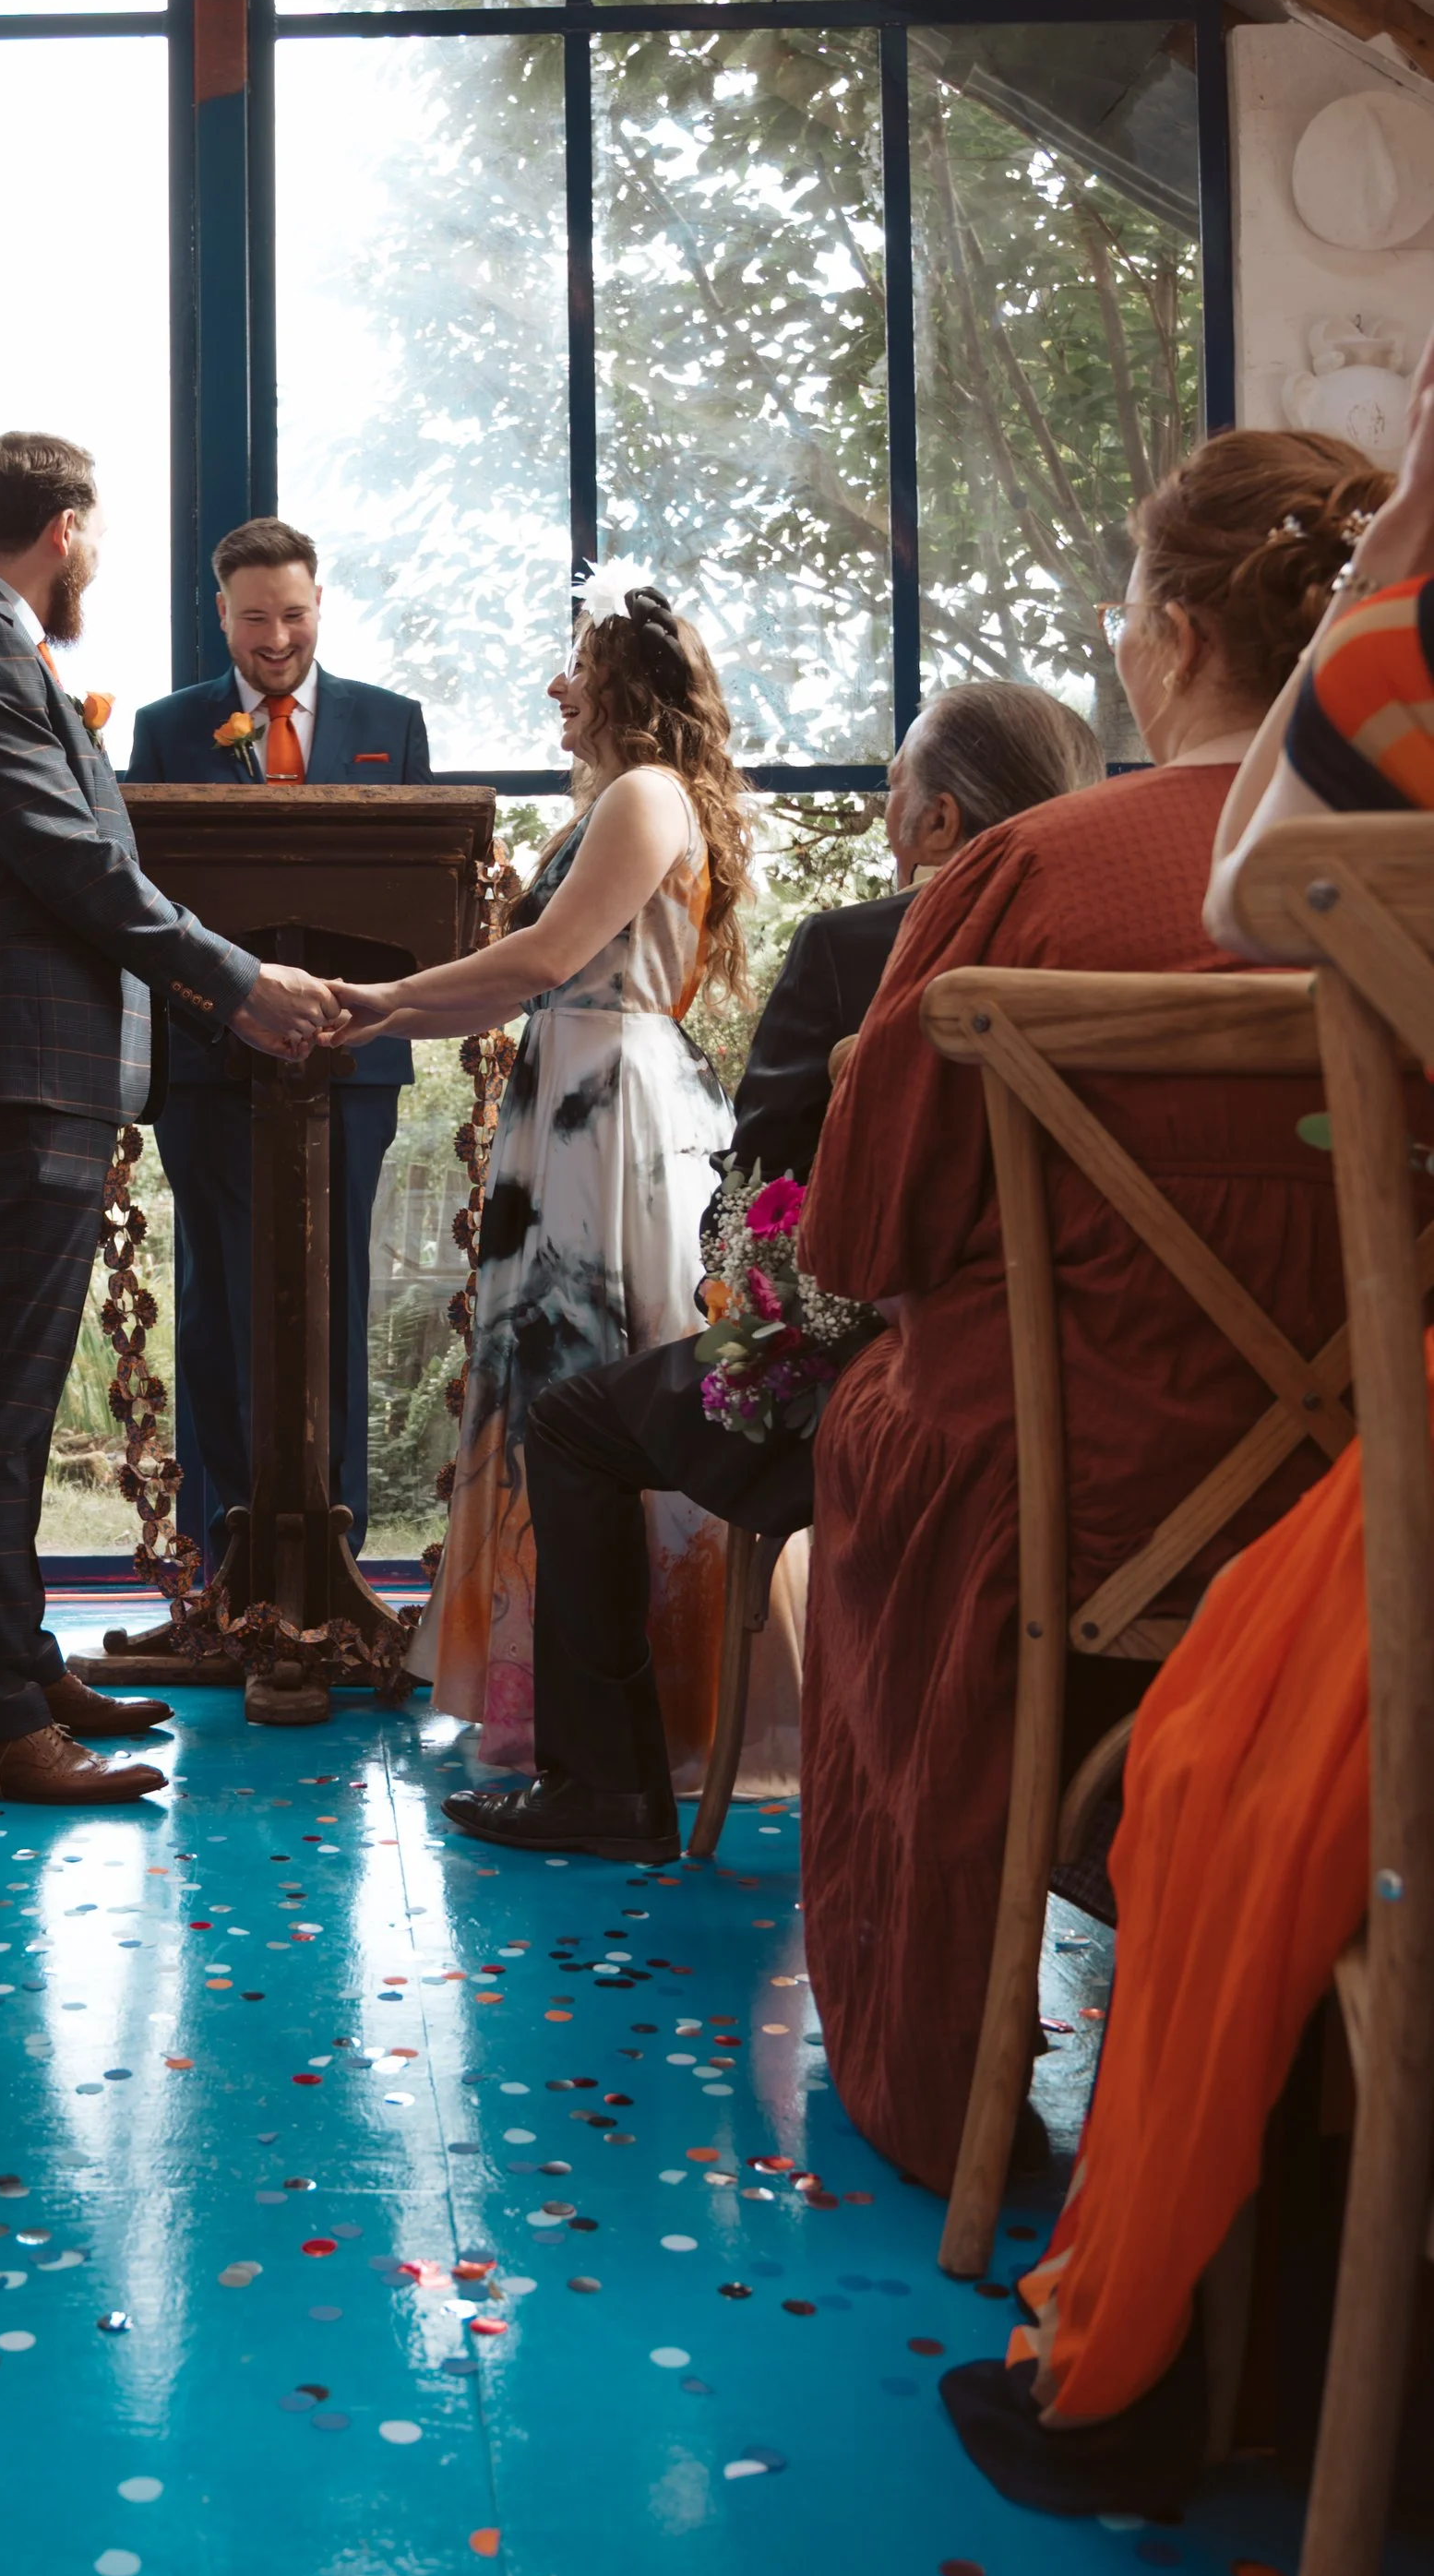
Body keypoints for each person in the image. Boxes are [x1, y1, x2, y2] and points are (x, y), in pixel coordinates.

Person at [941, 340, 1434, 2514]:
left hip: (1149, 1489)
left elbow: (1268, 884)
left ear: (1169, 635)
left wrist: (1395, 558)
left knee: (1222, 1763)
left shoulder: (1078, 858)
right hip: (1320, 1424)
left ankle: (1131, 2357)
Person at [796, 427, 1391, 2201]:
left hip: (1081, 1532)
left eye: (1129, 603)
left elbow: (858, 1234)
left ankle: (959, 2075)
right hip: (1368, 1546)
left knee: (864, 1481)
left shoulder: (1039, 873)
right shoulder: (1412, 887)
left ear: (1181, 633)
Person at [442, 678, 1105, 1860]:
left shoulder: (859, 951)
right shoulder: (1115, 949)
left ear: (939, 821)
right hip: (1096, 1378)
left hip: (880, 1383)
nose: (889, 798)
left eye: (896, 778)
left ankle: (604, 1785)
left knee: (574, 1419)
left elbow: (760, 1207)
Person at [0, 432, 341, 1807]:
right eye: (99, 539)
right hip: (24, 1063)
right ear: (68, 529)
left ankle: (19, 1666)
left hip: (54, 1063)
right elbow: (76, 866)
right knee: (7, 1400)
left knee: (11, 1391)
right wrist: (238, 978)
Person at [331, 575, 749, 1825]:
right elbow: (509, 987)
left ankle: (612, 1755)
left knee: (589, 1395)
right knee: (564, 1404)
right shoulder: (630, 802)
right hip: (574, 1096)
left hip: (607, 1116)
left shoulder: (641, 795)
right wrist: (374, 1012)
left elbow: (541, 962)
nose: (556, 689)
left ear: (623, 683)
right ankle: (582, 1734)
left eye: (575, 667)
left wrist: (368, 1001)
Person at [125, 515, 432, 1565]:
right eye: (254, 617)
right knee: (219, 1298)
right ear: (222, 613)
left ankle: (330, 1551)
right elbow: (154, 898)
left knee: (335, 1299)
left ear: (318, 605)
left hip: (352, 1067)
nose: (275, 637)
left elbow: (417, 899)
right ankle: (227, 1557)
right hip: (213, 1069)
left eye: (293, 614)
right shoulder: (168, 731)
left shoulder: (393, 722)